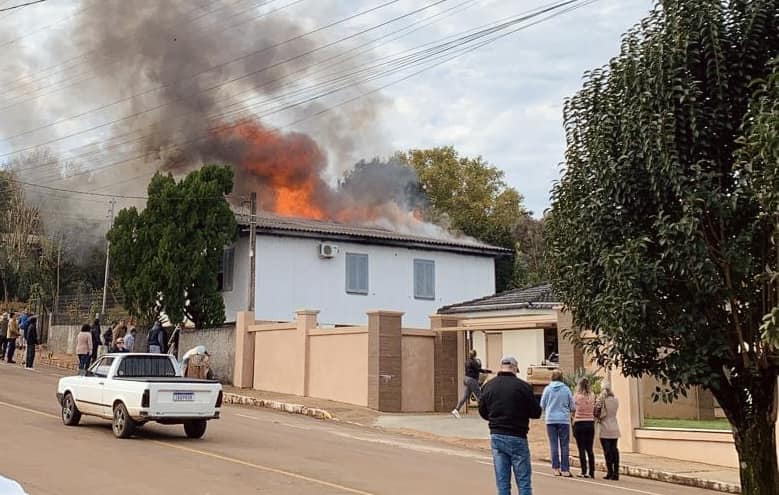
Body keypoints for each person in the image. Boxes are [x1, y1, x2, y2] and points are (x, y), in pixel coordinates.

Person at [479, 356, 542, 495]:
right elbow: (536, 412)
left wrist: (494, 418)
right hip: (517, 435)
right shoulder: (523, 387)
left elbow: (482, 410)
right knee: (524, 483)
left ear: (501, 367)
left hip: (497, 435)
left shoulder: (489, 386)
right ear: (514, 368)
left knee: (502, 483)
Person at [540, 370, 575, 477]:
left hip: (550, 419)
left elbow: (542, 404)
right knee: (564, 445)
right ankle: (565, 469)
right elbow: (572, 406)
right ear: (562, 378)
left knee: (553, 444)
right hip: (563, 419)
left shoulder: (547, 389)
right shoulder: (566, 389)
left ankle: (556, 468)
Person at [452, 349, 492, 418]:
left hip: (466, 379)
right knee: (479, 396)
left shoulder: (467, 361)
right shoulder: (474, 362)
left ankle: (456, 410)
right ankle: (485, 412)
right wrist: (489, 371)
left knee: (465, 396)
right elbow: (479, 370)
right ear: (475, 355)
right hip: (472, 380)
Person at [595, 383, 621, 480]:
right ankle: (616, 472)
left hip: (605, 427)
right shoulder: (615, 400)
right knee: (614, 450)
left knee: (607, 451)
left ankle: (610, 471)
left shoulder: (602, 400)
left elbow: (596, 411)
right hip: (614, 426)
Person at [573, 377, 596, 478]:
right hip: (590, 423)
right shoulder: (592, 396)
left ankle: (583, 471)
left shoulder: (576, 396)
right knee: (590, 449)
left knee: (581, 448)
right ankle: (592, 471)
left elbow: (572, 408)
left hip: (579, 423)